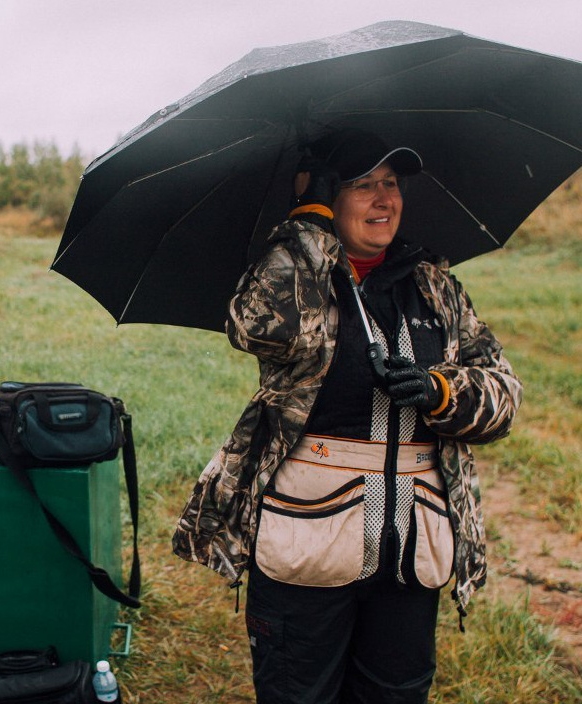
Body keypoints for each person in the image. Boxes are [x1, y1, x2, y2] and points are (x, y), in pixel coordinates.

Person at [172, 127, 523, 703]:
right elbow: (260, 326)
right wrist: (308, 225)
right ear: (331, 196)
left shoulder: (434, 287)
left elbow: (503, 395)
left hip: (412, 549)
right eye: (363, 185)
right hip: (308, 543)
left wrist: (440, 392)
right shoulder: (300, 279)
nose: (384, 199)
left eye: (391, 184)